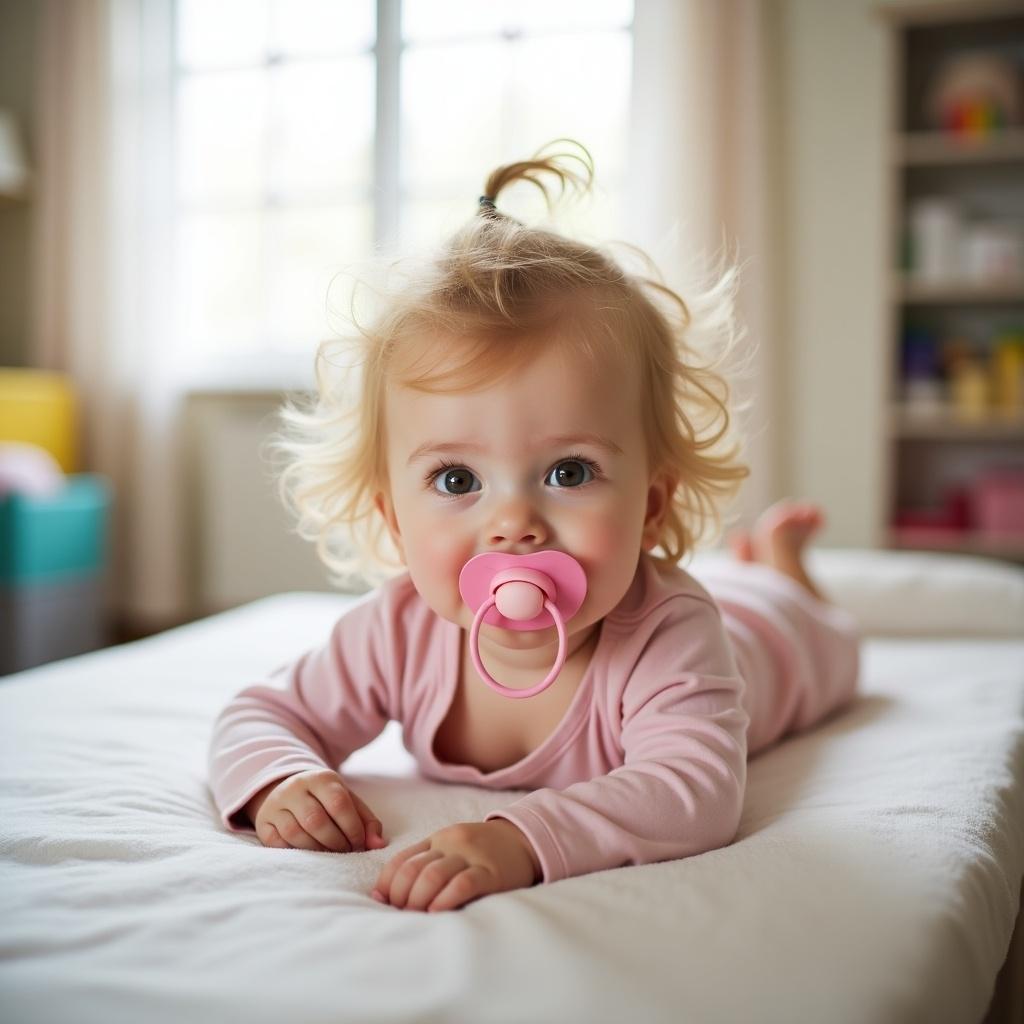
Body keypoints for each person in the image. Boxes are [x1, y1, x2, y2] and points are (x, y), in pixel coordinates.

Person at [206, 139, 861, 914]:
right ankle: (765, 565)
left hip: (769, 646)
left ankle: (784, 575)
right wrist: (283, 776)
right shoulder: (396, 631)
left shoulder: (671, 635)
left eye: (569, 473)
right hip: (725, 629)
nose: (514, 525)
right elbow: (262, 712)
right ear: (392, 516)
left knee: (828, 638)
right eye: (456, 480)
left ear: (650, 506)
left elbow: (695, 789)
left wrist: (524, 838)